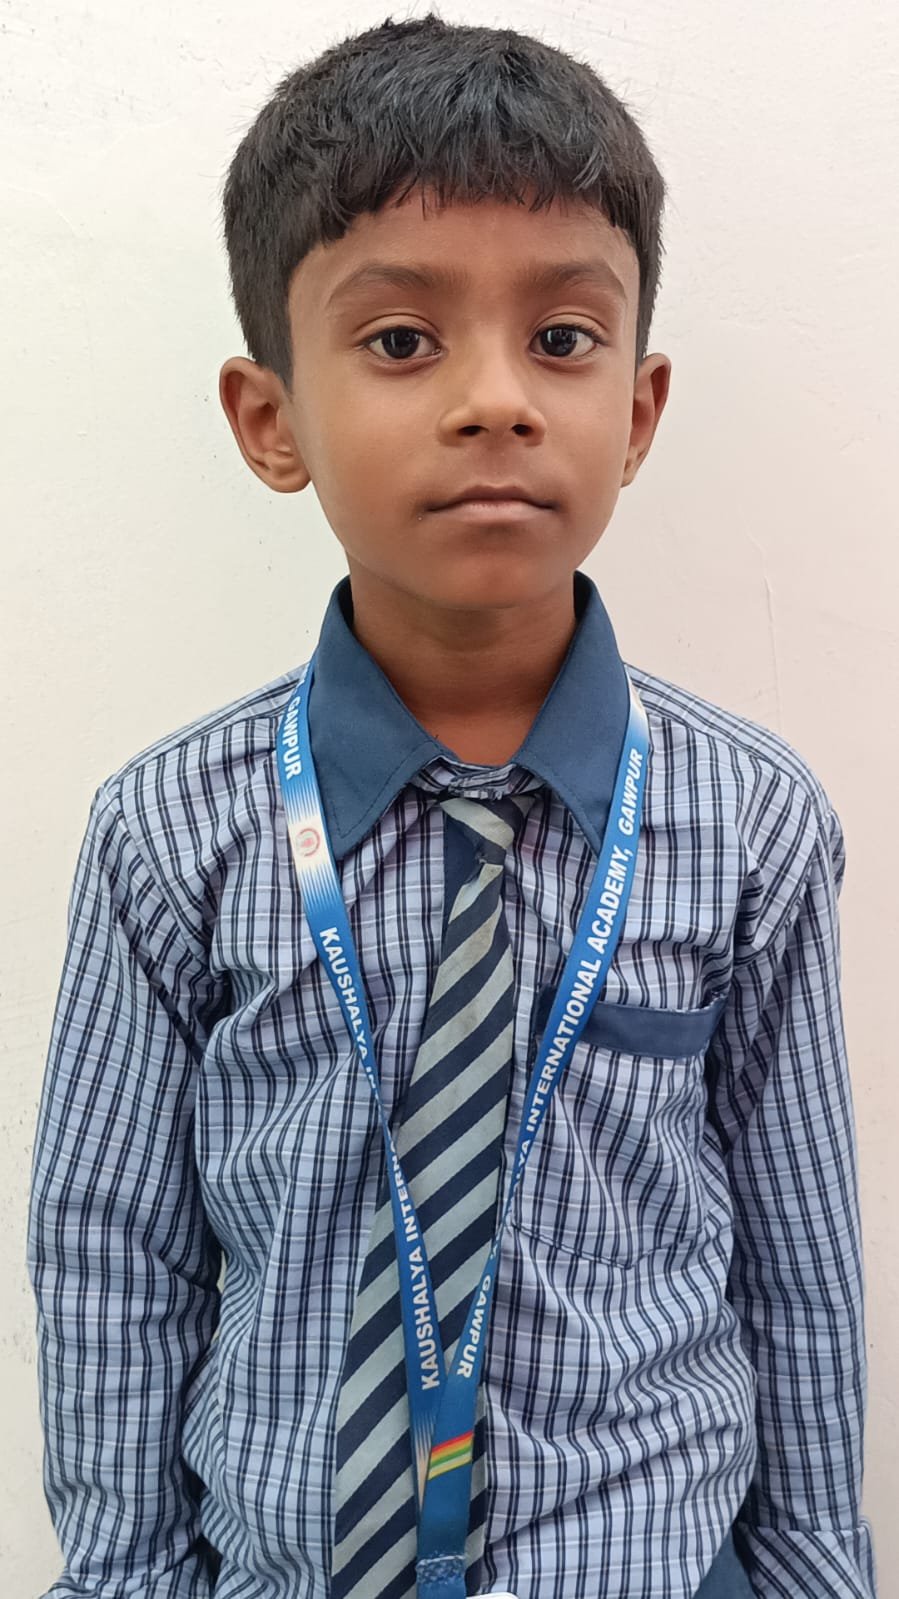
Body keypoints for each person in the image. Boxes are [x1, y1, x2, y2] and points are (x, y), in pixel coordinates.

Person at [26, 12, 877, 1599]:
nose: (497, 401)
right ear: (270, 420)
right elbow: (108, 1255)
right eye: (404, 342)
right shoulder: (170, 832)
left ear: (639, 409)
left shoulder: (752, 820)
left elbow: (801, 1272)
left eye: (562, 336)